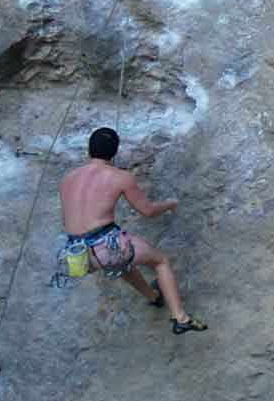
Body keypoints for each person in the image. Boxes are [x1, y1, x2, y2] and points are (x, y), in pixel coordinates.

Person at [56, 128, 205, 333]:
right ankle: (181, 318)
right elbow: (148, 211)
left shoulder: (67, 179)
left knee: (122, 261)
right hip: (105, 247)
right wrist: (170, 204)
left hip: (75, 256)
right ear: (115, 152)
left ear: (88, 150)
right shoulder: (121, 177)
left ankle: (153, 297)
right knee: (160, 261)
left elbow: (66, 221)